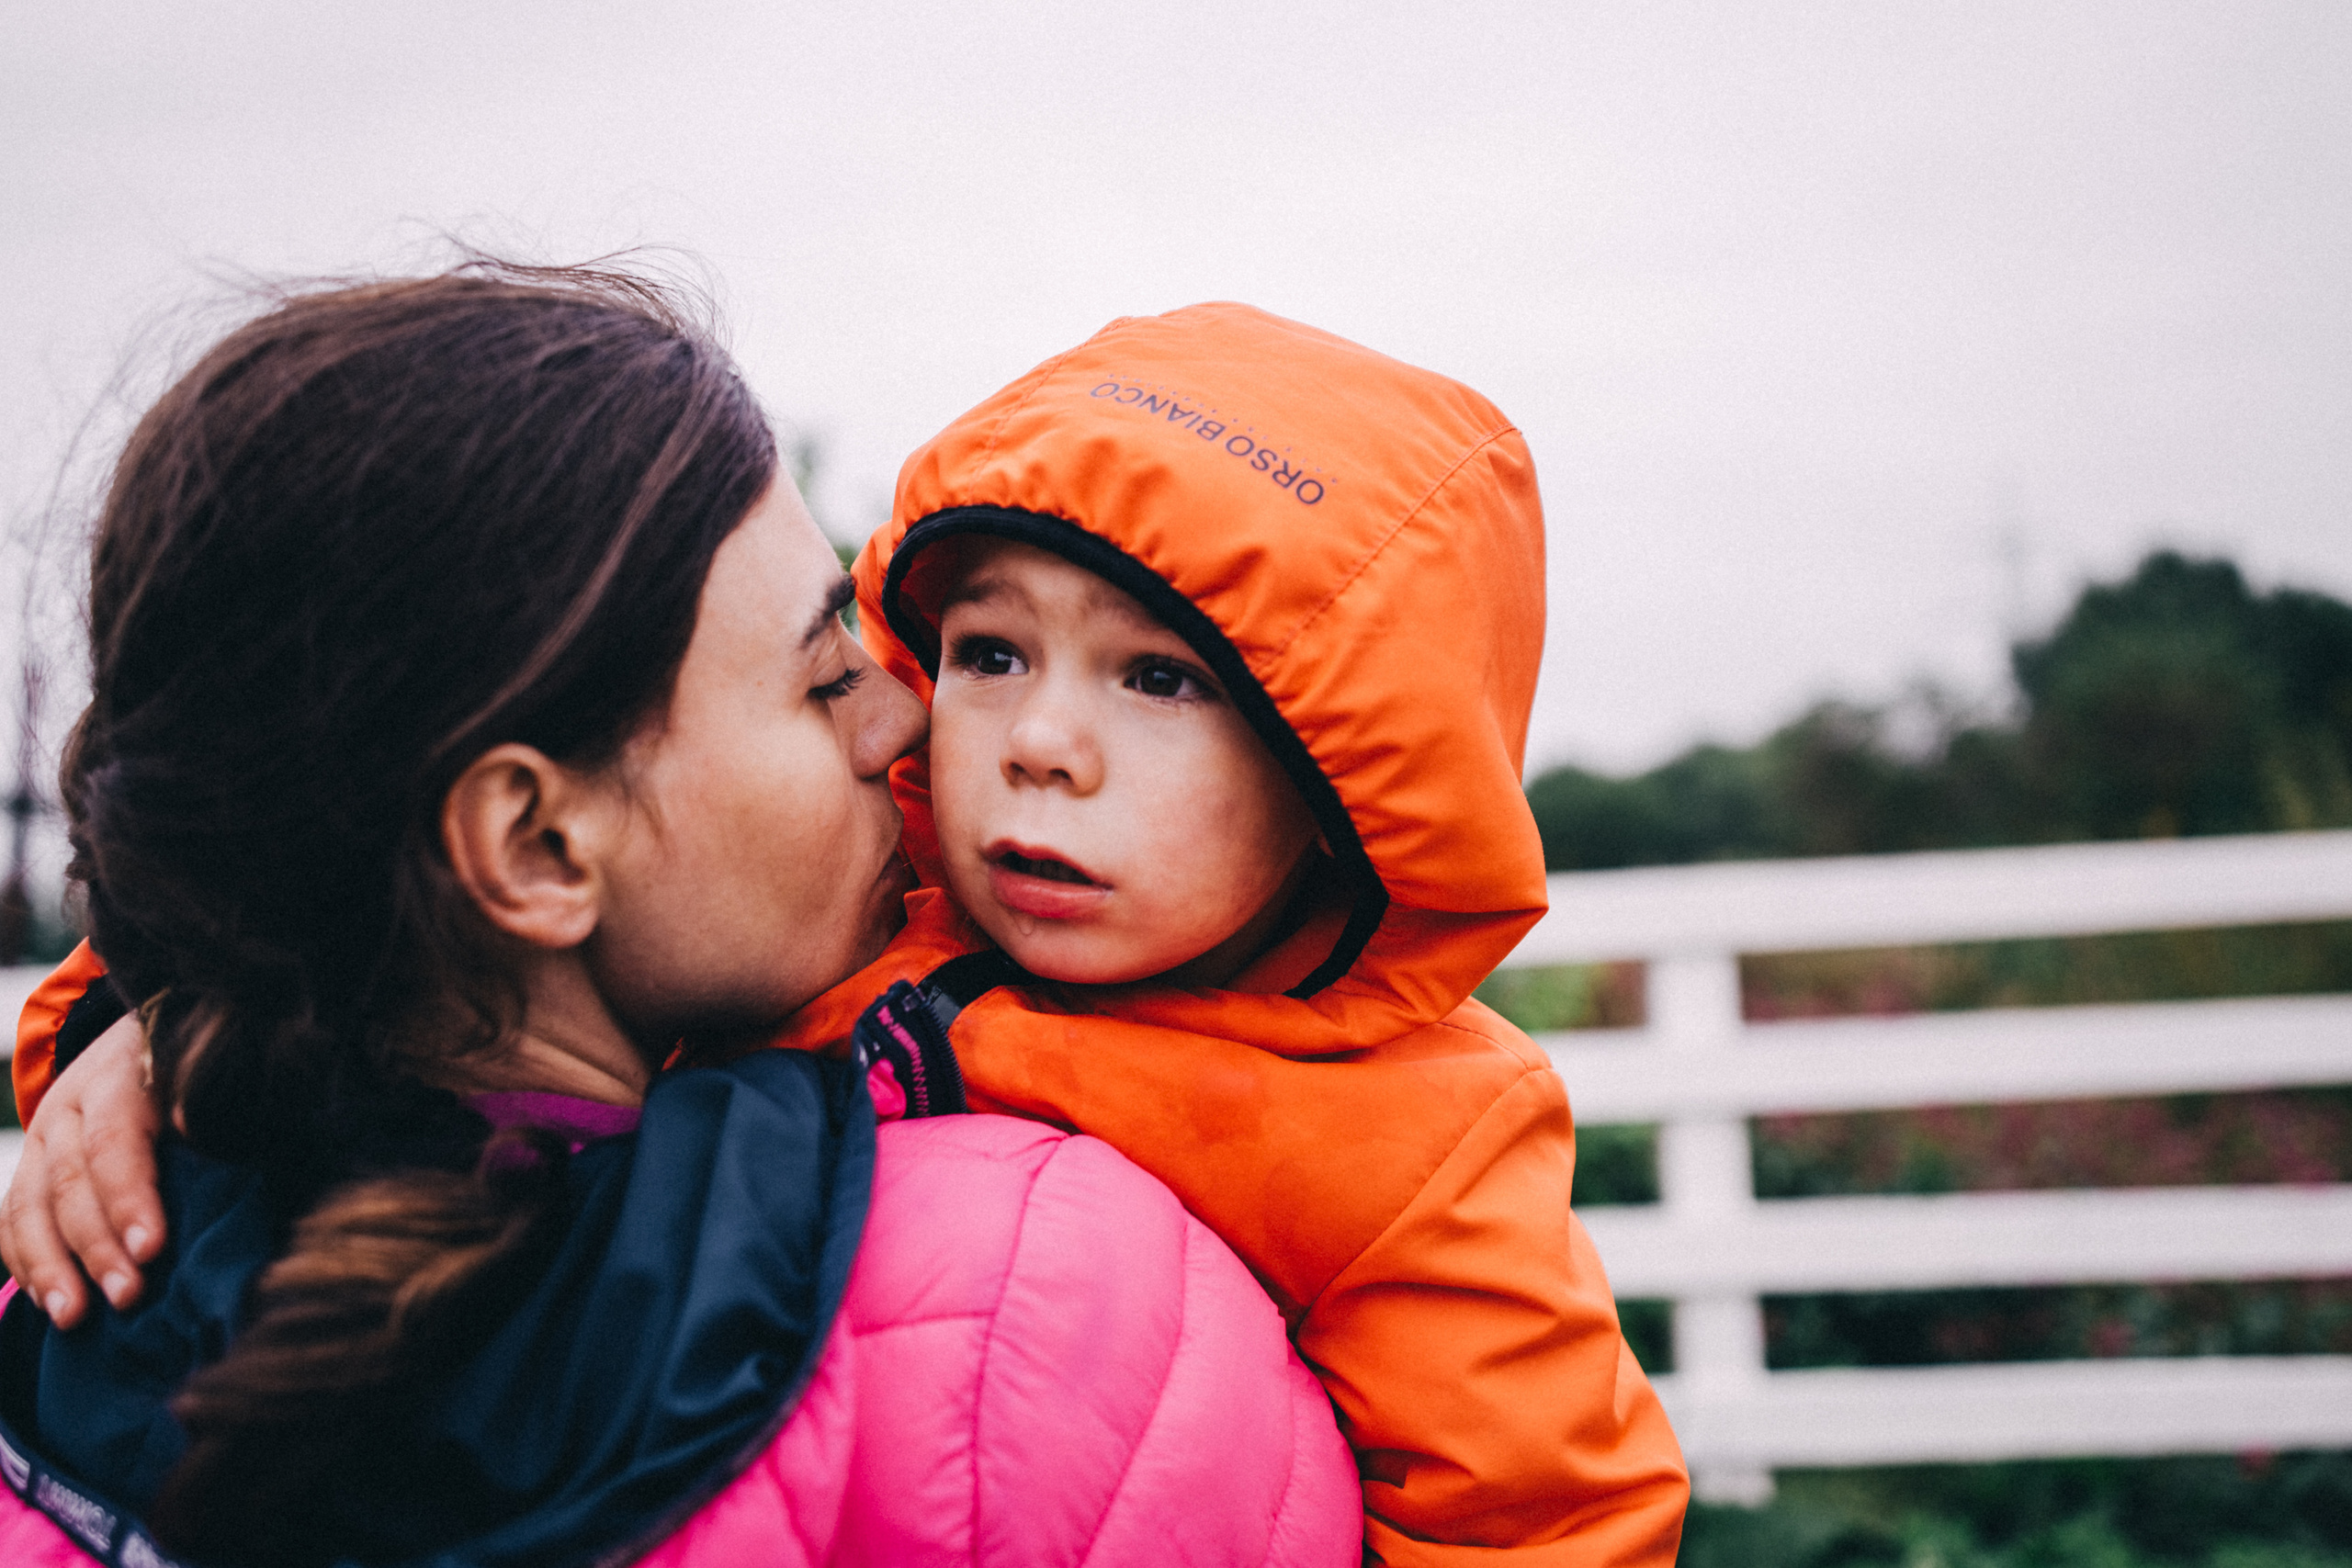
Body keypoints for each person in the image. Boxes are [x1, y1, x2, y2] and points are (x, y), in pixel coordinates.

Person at [14, 301, 1691, 1563]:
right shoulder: (893, 878)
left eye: (1164, 678)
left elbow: (1545, 1503)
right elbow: (323, 862)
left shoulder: (1407, 1133)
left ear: (1336, 780)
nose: (1003, 738)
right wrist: (145, 1026)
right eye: (985, 649)